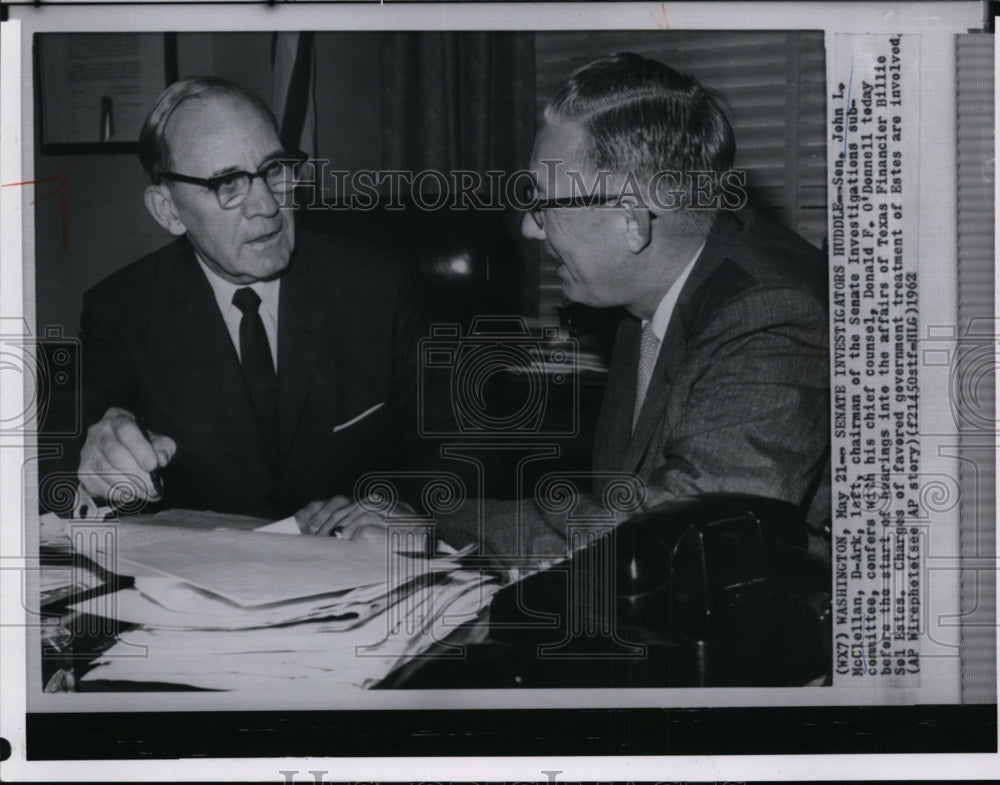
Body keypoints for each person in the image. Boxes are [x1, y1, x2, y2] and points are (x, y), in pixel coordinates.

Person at [76, 77, 439, 523]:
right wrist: (99, 460)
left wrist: (395, 502)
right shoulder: (120, 310)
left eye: (274, 169)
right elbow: (69, 451)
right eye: (228, 183)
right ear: (168, 210)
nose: (267, 205)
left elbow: (459, 448)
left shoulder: (381, 285)